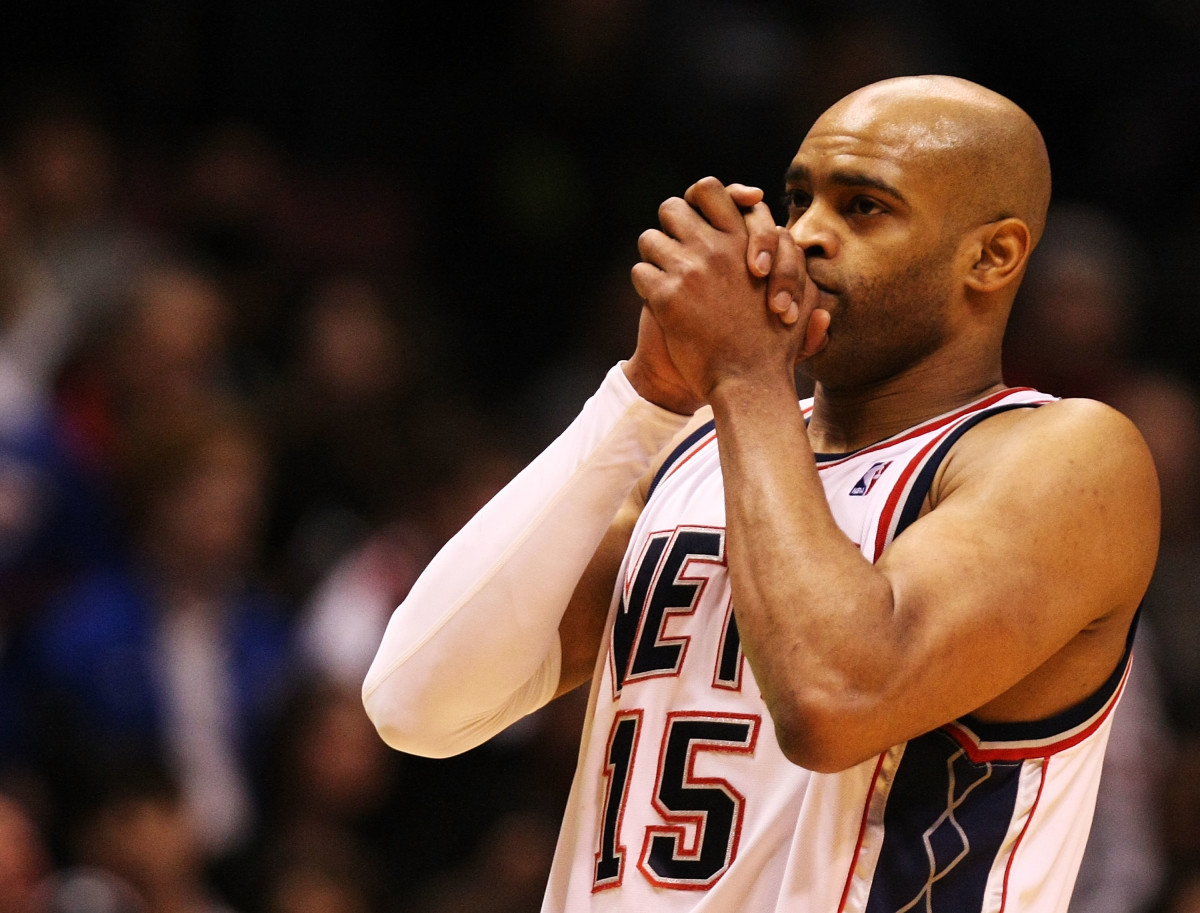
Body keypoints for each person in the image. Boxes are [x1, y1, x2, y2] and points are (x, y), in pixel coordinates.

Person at [362, 75, 1160, 912]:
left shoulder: (1066, 456)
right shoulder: (704, 449)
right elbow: (416, 703)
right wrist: (645, 396)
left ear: (990, 256)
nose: (804, 235)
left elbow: (835, 697)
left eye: (863, 208)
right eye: (797, 197)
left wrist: (744, 375)